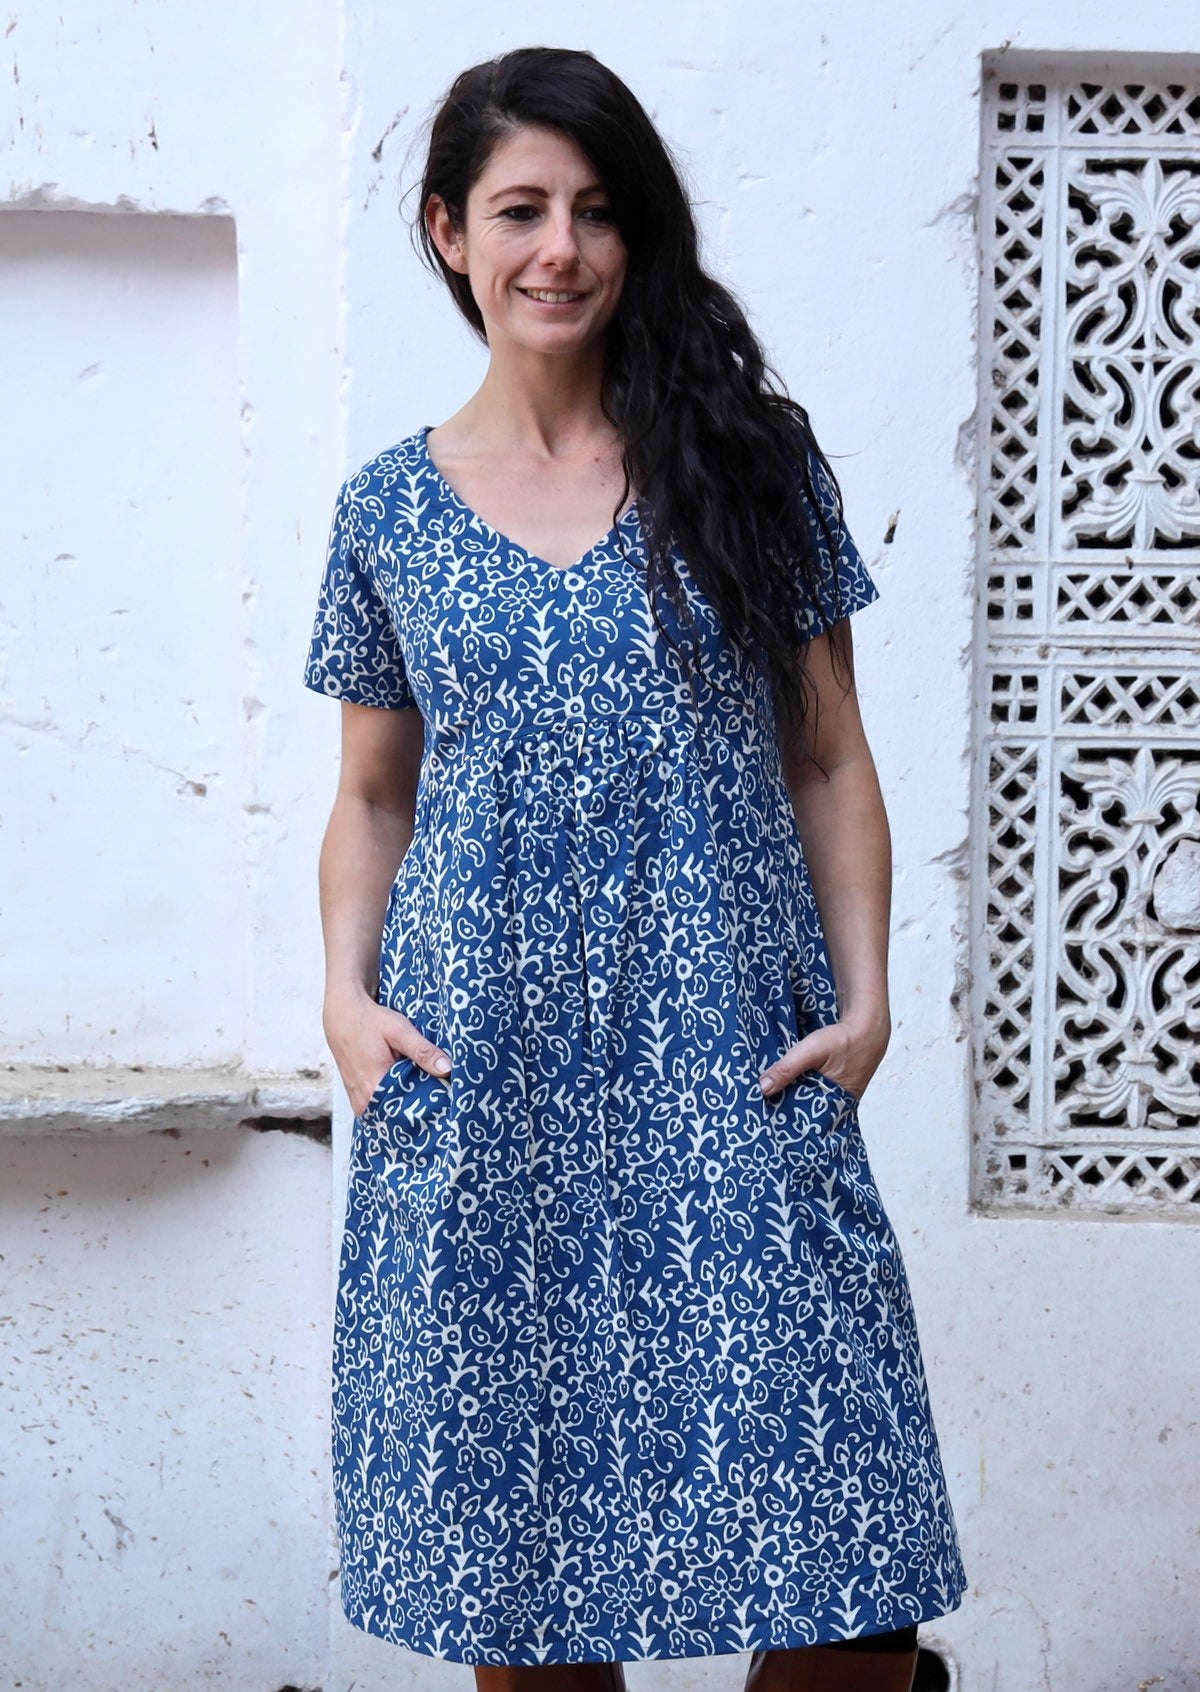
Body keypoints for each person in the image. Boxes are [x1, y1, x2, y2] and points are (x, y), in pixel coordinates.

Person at [304, 44, 967, 1692]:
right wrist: (344, 998)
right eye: (520, 209)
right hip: (489, 1078)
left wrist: (871, 998)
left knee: (845, 1586)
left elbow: (828, 755)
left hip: (732, 1065)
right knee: (527, 1597)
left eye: (598, 211)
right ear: (449, 233)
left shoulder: (746, 460)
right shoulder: (386, 512)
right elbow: (374, 799)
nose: (562, 250)